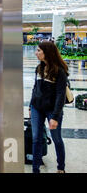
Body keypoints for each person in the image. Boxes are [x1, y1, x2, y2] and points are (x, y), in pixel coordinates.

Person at [29, 41, 68, 173]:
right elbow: (35, 88)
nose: (36, 53)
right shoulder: (38, 68)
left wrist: (55, 117)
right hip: (36, 108)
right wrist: (30, 105)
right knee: (36, 138)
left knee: (56, 139)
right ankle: (35, 169)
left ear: (47, 52)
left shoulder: (59, 72)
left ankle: (61, 168)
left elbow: (60, 95)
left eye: (39, 50)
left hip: (52, 110)